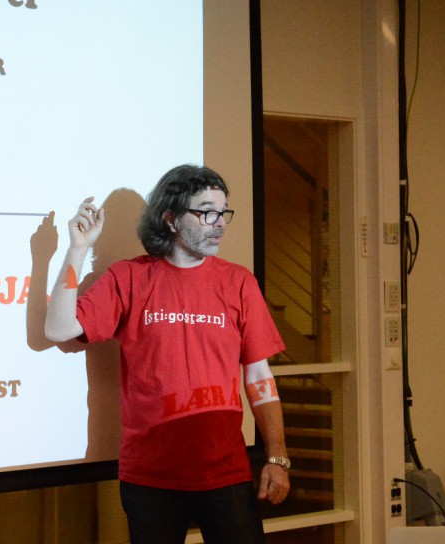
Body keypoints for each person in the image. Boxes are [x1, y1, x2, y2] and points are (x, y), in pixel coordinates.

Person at [44, 164, 290, 544]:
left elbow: (259, 377)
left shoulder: (238, 281)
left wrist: (277, 456)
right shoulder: (129, 278)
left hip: (225, 472)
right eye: (206, 212)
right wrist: (77, 250)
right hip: (150, 478)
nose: (219, 223)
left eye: (222, 212)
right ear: (171, 219)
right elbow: (59, 329)